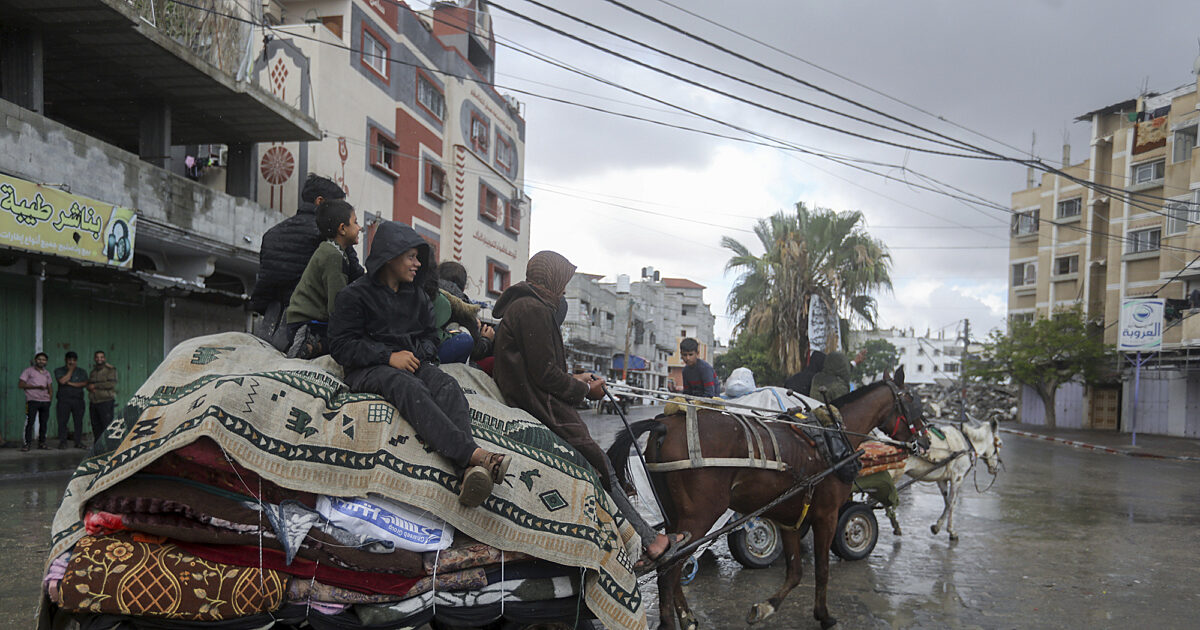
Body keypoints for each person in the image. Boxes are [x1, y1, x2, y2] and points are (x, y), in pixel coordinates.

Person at [492, 250, 689, 573]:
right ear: (551, 278)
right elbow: (544, 376)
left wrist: (575, 379)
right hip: (541, 406)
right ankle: (650, 540)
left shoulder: (526, 306)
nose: (564, 291)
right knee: (602, 467)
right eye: (563, 283)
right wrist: (585, 389)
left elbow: (540, 369)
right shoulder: (533, 309)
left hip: (535, 397)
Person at [328, 221, 508, 508]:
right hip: (368, 368)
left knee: (447, 385)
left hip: (411, 363)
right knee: (408, 387)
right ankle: (474, 455)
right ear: (390, 256)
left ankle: (468, 473)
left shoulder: (418, 297)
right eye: (411, 256)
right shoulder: (354, 295)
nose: (417, 264)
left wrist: (418, 355)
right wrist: (388, 357)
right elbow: (340, 345)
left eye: (417, 258)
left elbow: (429, 338)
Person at [251, 174, 365, 347]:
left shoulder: (272, 234)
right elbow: (353, 280)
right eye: (338, 205)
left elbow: (265, 284)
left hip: (271, 324)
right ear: (320, 201)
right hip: (312, 325)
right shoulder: (331, 238)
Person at [285, 199, 362, 359]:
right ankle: (311, 346)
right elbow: (337, 304)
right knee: (348, 342)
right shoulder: (333, 256)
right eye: (355, 222)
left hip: (299, 319)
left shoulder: (332, 250)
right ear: (342, 229)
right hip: (308, 323)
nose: (360, 227)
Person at [434, 261, 494, 365]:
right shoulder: (463, 305)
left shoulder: (426, 289)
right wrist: (486, 339)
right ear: (463, 287)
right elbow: (476, 351)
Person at [17, 352, 53, 452]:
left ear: (46, 362)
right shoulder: (28, 371)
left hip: (45, 401)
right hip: (32, 400)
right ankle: (26, 444)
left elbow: (50, 387)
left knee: (44, 423)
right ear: (35, 360)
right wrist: (36, 387)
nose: (41, 361)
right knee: (30, 422)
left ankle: (42, 443)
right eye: (39, 359)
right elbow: (21, 385)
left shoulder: (47, 373)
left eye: (44, 360)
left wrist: (50, 398)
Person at [53, 351, 89, 449]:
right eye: (69, 360)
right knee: (62, 422)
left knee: (78, 422)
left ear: (76, 361)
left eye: (73, 360)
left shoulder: (82, 371)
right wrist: (71, 371)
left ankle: (78, 442)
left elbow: (84, 383)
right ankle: (63, 442)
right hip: (63, 400)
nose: (71, 362)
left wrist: (69, 383)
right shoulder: (59, 370)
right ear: (65, 360)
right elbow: (62, 381)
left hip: (78, 400)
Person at [87, 351, 118, 442]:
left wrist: (95, 386)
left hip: (105, 401)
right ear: (95, 359)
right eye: (97, 357)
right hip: (94, 402)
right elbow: (90, 383)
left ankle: (107, 446)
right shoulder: (93, 371)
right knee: (96, 427)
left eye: (101, 357)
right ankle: (97, 447)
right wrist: (89, 387)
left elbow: (111, 384)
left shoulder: (110, 370)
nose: (99, 359)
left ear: (104, 358)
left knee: (106, 426)